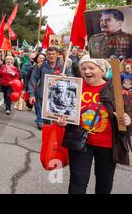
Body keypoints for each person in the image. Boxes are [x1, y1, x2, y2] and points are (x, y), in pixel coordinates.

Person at [56, 55, 132, 194]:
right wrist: (62, 121)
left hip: (108, 145)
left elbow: (128, 111)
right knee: (77, 182)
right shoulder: (73, 86)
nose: (87, 71)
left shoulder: (114, 87)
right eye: (83, 68)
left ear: (102, 69)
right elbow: (63, 109)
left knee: (104, 182)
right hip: (79, 142)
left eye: (91, 68)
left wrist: (127, 119)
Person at [28, 47, 73, 130]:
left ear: (57, 55)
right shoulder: (40, 66)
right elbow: (33, 79)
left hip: (56, 98)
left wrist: (66, 77)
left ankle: (51, 133)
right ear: (46, 55)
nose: (51, 56)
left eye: (53, 54)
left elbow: (72, 80)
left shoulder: (63, 66)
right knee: (44, 119)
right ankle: (40, 122)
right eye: (49, 54)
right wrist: (31, 94)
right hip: (42, 95)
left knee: (54, 121)